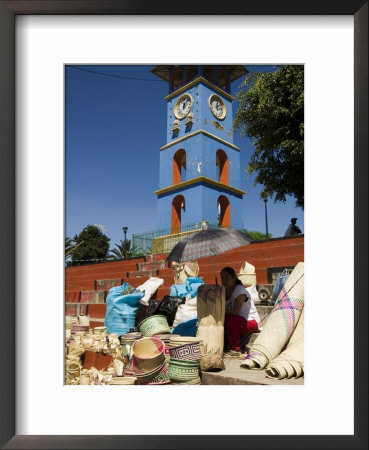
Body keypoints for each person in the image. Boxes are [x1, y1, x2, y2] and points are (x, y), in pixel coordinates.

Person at [220, 266, 261, 354]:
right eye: (222, 278)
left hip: (251, 322)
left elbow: (235, 312)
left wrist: (219, 312)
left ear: (234, 278)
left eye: (227, 277)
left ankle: (236, 348)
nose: (224, 281)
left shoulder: (240, 291)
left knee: (231, 319)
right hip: (237, 323)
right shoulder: (224, 292)